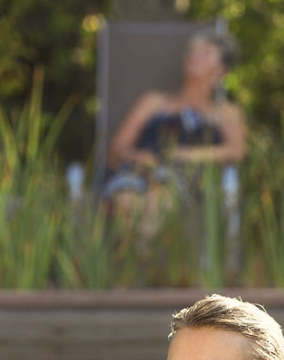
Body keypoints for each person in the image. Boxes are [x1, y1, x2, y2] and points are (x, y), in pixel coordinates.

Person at [103, 31, 247, 230]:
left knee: (159, 202)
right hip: (137, 174)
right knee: (127, 201)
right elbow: (116, 149)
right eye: (193, 51)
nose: (194, 55)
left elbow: (237, 151)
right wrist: (139, 157)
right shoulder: (152, 102)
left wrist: (186, 155)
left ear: (222, 69)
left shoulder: (225, 112)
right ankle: (145, 247)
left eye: (205, 53)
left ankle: (138, 248)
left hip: (185, 182)